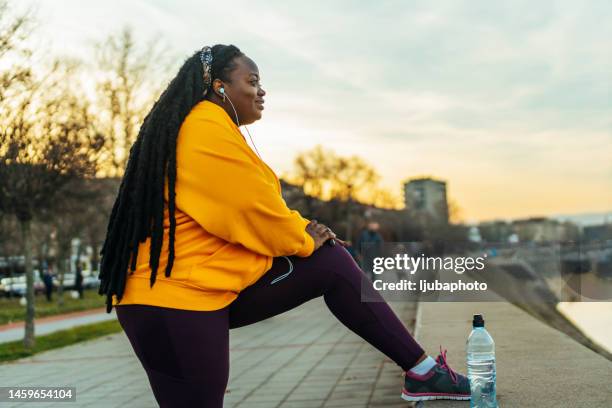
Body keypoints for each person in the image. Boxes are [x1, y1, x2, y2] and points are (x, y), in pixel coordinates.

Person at [97, 44, 470, 407]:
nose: (262, 91)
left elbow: (241, 209)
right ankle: (422, 372)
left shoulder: (196, 126)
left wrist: (302, 231)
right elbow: (249, 210)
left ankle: (422, 371)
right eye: (252, 81)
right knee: (331, 261)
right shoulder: (203, 128)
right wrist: (303, 237)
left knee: (331, 262)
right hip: (176, 300)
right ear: (219, 86)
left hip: (174, 295)